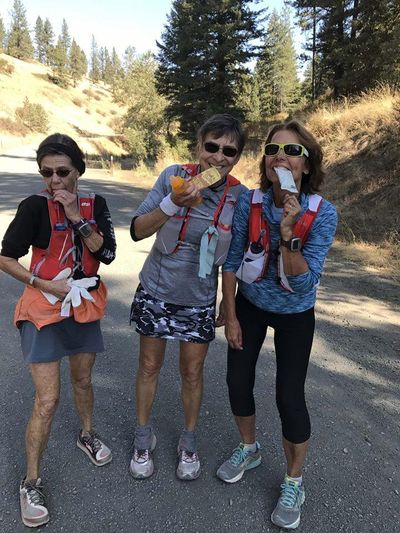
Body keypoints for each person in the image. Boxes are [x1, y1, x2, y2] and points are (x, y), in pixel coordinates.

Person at [216, 120, 337, 529]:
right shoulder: (249, 201)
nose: (280, 157)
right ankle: (249, 448)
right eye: (273, 150)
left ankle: (293, 480)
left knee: (289, 396)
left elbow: (304, 279)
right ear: (265, 161)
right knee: (237, 380)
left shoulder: (323, 213)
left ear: (306, 164)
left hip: (295, 312)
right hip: (250, 305)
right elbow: (231, 261)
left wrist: (288, 233)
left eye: (292, 152)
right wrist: (230, 315)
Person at [0, 133, 116, 528]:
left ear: (78, 171)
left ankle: (86, 434)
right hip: (43, 308)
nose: (54, 181)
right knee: (47, 400)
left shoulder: (94, 205)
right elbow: (5, 257)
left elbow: (107, 253)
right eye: (47, 173)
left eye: (62, 172)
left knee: (83, 380)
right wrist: (43, 284)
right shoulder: (33, 206)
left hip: (83, 304)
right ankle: (31, 481)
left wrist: (77, 219)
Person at [129, 114, 247, 481]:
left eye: (229, 150)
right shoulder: (172, 176)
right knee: (149, 366)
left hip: (197, 299)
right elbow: (136, 230)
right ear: (198, 147)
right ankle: (142, 438)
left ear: (237, 157)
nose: (218, 156)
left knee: (192, 372)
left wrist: (229, 307)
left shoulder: (238, 196)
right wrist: (173, 203)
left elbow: (233, 259)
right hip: (156, 290)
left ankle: (188, 442)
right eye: (211, 146)